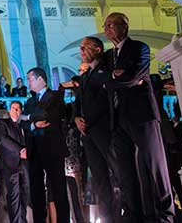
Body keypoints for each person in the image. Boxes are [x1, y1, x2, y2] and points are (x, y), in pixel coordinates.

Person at [103, 12, 175, 223]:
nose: (107, 28)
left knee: (155, 166)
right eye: (105, 25)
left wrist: (113, 80)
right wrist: (116, 77)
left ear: (124, 26)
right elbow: (108, 79)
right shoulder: (108, 57)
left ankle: (166, 215)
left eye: (111, 24)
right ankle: (134, 216)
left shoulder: (139, 48)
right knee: (126, 172)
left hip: (142, 115)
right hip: (117, 118)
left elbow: (135, 76)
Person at [74, 36, 117, 223]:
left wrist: (88, 120)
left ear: (98, 49)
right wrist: (76, 118)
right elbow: (78, 103)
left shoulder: (106, 71)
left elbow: (104, 100)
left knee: (117, 172)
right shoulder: (84, 77)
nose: (81, 51)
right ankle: (107, 217)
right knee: (99, 179)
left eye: (85, 47)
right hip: (88, 134)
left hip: (103, 129)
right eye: (80, 48)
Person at [23, 66, 70, 223]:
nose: (27, 82)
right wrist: (33, 124)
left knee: (58, 190)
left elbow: (50, 116)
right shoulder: (30, 101)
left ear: (40, 79)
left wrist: (29, 117)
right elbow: (22, 124)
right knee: (36, 192)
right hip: (34, 149)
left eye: (30, 78)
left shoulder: (55, 96)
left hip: (52, 149)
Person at [0, 101, 30, 223]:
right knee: (13, 196)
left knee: (25, 194)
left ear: (21, 111)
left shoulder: (24, 126)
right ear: (10, 110)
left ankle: (23, 220)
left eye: (18, 108)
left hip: (25, 165)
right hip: (11, 165)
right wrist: (21, 150)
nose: (16, 110)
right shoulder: (3, 123)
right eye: (13, 108)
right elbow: (4, 139)